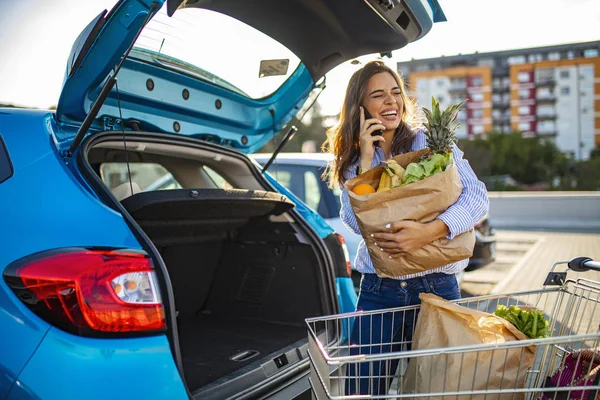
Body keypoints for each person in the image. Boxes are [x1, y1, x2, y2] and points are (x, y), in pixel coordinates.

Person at [322, 60, 489, 395]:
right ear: (360, 107)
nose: (391, 101)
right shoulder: (354, 162)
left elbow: (476, 196)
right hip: (379, 291)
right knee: (362, 390)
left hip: (436, 287)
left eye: (396, 92)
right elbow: (357, 223)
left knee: (437, 390)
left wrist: (431, 231)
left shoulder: (428, 143)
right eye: (379, 95)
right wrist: (367, 164)